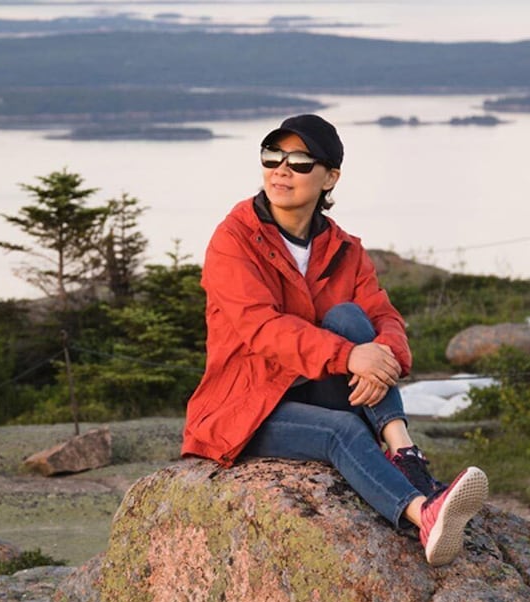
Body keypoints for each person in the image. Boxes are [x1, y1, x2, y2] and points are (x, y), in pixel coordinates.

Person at [182, 113, 487, 566]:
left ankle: (404, 452)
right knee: (341, 429)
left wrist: (382, 355)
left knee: (348, 316)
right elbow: (260, 327)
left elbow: (383, 316)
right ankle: (422, 514)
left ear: (330, 178)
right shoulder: (234, 239)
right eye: (272, 156)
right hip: (246, 408)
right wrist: (349, 357)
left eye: (300, 162)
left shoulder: (343, 247)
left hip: (313, 384)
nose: (281, 170)